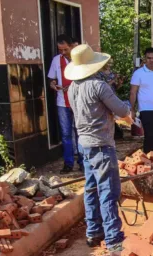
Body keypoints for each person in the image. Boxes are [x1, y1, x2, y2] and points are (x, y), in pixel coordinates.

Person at [65, 44, 134, 251]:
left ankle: (93, 232)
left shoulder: (72, 88)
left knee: (91, 188)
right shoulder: (99, 86)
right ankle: (114, 239)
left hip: (84, 144)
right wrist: (129, 109)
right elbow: (121, 110)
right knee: (108, 191)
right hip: (101, 145)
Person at [48, 34, 83, 174]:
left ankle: (82, 162)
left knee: (80, 132)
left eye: (65, 49)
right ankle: (68, 163)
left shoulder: (80, 60)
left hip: (79, 101)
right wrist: (53, 84)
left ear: (72, 46)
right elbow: (52, 78)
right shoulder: (56, 60)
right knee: (66, 134)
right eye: (60, 50)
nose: (63, 52)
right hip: (62, 102)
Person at [99, 59, 124, 139]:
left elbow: (115, 87)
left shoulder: (112, 73)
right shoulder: (100, 74)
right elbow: (104, 86)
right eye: (108, 63)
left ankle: (114, 133)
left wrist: (119, 83)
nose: (110, 65)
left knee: (112, 116)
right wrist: (113, 80)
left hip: (112, 96)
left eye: (111, 63)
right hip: (104, 97)